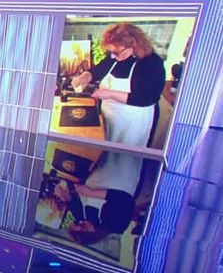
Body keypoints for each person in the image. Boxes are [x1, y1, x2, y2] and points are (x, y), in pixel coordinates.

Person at [71, 23, 165, 195]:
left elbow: (146, 97)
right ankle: (96, 188)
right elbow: (96, 71)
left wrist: (110, 94)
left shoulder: (152, 63)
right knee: (106, 154)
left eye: (117, 52)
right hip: (110, 116)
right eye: (110, 52)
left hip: (133, 120)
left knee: (123, 160)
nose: (113, 56)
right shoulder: (114, 58)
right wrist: (84, 77)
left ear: (133, 45)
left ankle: (120, 195)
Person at [53, 181, 135, 246]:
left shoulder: (80, 218)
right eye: (83, 226)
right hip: (122, 180)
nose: (81, 221)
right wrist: (91, 192)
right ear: (92, 232)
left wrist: (64, 197)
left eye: (77, 223)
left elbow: (72, 201)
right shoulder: (116, 226)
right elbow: (127, 200)